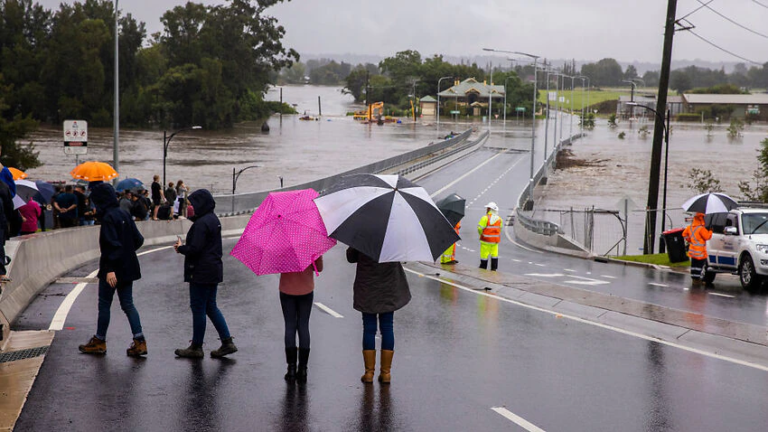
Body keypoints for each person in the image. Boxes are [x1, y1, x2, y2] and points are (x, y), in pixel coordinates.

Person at [78, 183, 147, 357]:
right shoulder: (124, 213)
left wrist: (109, 269)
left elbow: (110, 246)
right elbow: (138, 240)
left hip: (112, 270)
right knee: (128, 304)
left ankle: (99, 340)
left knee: (104, 305)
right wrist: (127, 252)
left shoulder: (108, 217)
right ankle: (140, 341)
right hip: (128, 268)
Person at [173, 189, 237, 358]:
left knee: (198, 308)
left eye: (191, 204)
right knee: (210, 306)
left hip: (201, 272)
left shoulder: (201, 224)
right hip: (213, 270)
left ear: (200, 204)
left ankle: (196, 346)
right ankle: (227, 342)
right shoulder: (212, 219)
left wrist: (181, 248)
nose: (189, 208)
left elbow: (195, 249)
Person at [346, 247, 411, 384]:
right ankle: (386, 373)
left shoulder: (363, 236)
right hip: (388, 288)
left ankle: (369, 373)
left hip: (367, 287)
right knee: (387, 327)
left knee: (369, 328)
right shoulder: (393, 238)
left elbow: (350, 257)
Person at [279, 256, 323, 383]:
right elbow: (319, 268)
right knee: (303, 325)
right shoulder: (311, 243)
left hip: (286, 288)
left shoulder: (282, 243)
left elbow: (277, 265)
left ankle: (291, 369)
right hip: (306, 289)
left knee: (290, 326)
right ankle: (303, 369)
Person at [683, 212, 713, 287]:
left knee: (694, 266)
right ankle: (697, 279)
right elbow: (707, 237)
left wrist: (689, 240)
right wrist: (710, 231)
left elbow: (684, 234)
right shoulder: (701, 229)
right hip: (700, 252)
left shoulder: (689, 228)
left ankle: (694, 279)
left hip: (693, 251)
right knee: (700, 266)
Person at [477, 202, 502, 271]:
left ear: (489, 209)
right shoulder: (499, 219)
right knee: (494, 254)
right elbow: (500, 228)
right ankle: (494, 268)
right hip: (495, 241)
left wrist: (481, 234)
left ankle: (483, 267)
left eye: (487, 208)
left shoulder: (485, 218)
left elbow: (479, 228)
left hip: (486, 240)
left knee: (484, 255)